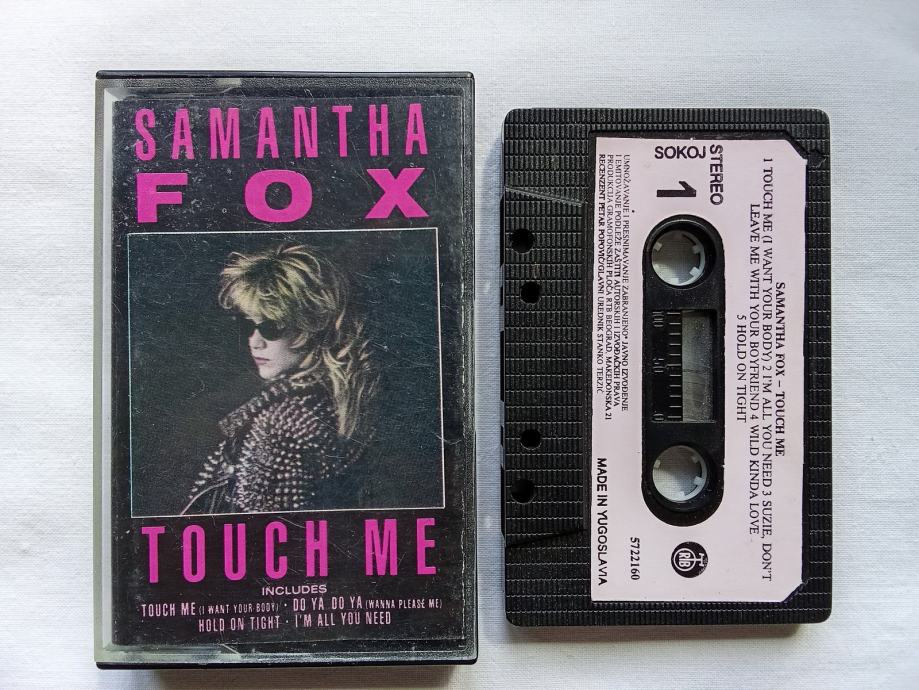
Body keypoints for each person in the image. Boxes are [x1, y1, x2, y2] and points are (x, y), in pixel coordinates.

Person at [182, 243, 377, 514]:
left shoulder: (278, 426)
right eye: (248, 325)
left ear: (311, 326)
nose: (255, 342)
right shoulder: (342, 404)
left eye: (271, 327)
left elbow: (263, 531)